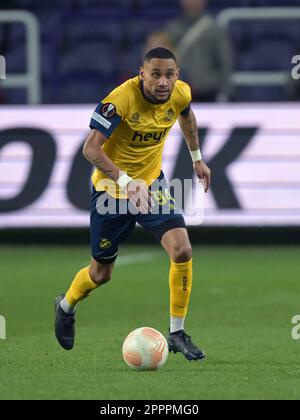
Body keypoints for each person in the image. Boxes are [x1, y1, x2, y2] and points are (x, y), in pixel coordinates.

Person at [54, 47, 211, 361]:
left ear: (177, 75)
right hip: (111, 194)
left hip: (152, 186)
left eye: (169, 74)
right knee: (101, 274)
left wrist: (197, 159)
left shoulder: (181, 94)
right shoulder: (121, 100)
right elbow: (91, 149)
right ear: (142, 74)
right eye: (156, 74)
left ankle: (177, 333)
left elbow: (187, 118)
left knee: (182, 249)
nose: (163, 81)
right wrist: (127, 183)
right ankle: (65, 306)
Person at [161, 0, 233, 102]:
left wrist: (225, 92)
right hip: (178, 93)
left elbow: (225, 63)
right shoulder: (172, 29)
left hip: (208, 92)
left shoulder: (214, 29)